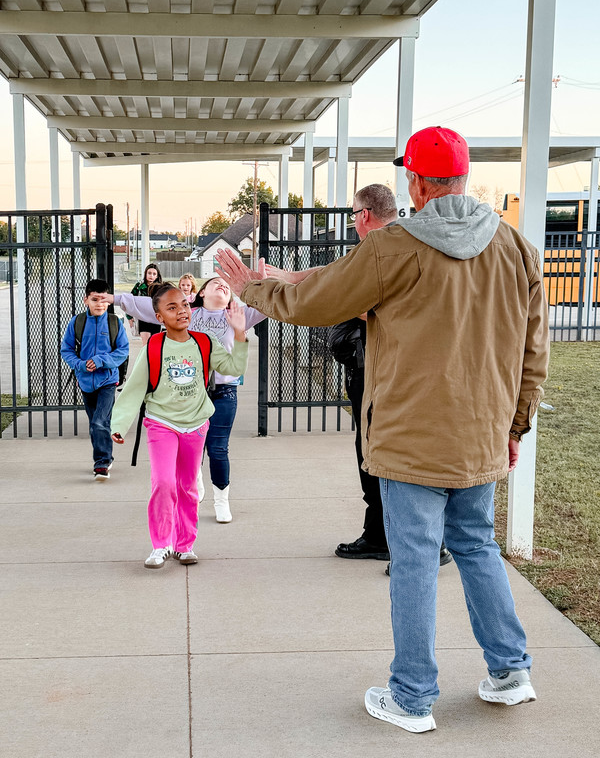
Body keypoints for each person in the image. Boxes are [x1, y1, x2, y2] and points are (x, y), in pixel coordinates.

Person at [215, 126, 550, 733]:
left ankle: (413, 697)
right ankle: (510, 671)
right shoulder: (518, 250)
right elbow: (534, 353)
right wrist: (515, 427)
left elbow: (320, 301)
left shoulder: (395, 244)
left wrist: (251, 289)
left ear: (416, 183)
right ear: (464, 177)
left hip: (409, 439)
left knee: (417, 558)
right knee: (476, 545)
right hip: (481, 437)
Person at [266, 184, 452, 569]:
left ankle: (422, 545)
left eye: (353, 214)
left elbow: (365, 303)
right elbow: (334, 274)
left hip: (385, 373)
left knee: (388, 458)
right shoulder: (388, 247)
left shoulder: (388, 247)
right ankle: (383, 536)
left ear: (364, 214)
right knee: (374, 456)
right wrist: (291, 275)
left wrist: (290, 290)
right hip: (379, 372)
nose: (352, 221)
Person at [110, 283, 249, 569]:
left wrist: (239, 332)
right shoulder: (154, 346)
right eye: (172, 308)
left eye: (184, 305)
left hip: (196, 424)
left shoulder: (204, 341)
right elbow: (134, 388)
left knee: (188, 487)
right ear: (159, 316)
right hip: (161, 423)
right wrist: (119, 424)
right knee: (163, 483)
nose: (182, 311)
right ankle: (161, 544)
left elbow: (234, 369)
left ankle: (184, 545)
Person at [60, 278, 129, 480]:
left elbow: (122, 351)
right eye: (95, 299)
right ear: (86, 300)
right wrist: (81, 365)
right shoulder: (77, 322)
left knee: (100, 421)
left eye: (103, 300)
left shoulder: (114, 322)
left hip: (107, 380)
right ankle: (105, 455)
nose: (99, 304)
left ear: (108, 301)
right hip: (85, 382)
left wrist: (101, 361)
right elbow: (66, 350)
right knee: (96, 424)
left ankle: (102, 462)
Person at [130, 263, 163, 345]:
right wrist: (129, 317)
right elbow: (130, 300)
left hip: (155, 318)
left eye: (154, 274)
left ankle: (153, 357)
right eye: (149, 273)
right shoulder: (139, 286)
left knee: (155, 343)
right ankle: (146, 357)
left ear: (157, 276)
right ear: (145, 274)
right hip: (143, 318)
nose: (151, 276)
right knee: (145, 344)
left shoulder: (160, 288)